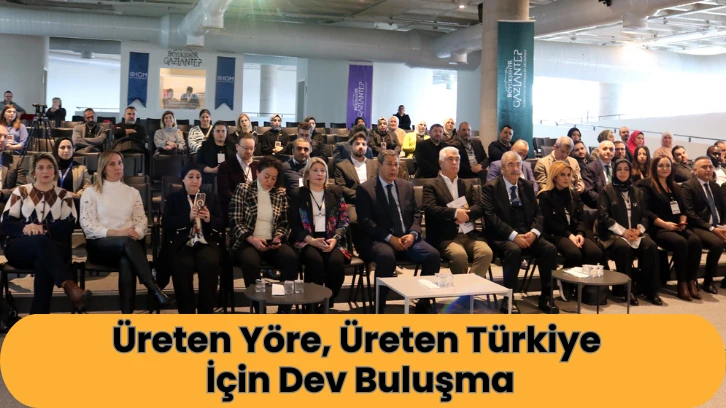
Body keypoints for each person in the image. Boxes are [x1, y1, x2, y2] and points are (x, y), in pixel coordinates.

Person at [80, 151, 172, 313]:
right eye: (112, 164)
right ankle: (154, 288)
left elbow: (141, 220)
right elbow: (88, 225)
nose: (118, 167)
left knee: (126, 261)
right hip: (101, 247)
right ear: (103, 168)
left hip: (129, 248)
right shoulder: (91, 192)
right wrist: (117, 233)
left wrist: (138, 232)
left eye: (120, 163)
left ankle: (127, 315)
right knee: (128, 244)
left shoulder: (132, 192)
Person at [1, 152, 90, 314]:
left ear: (55, 171)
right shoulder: (21, 192)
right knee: (40, 242)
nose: (45, 171)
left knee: (43, 259)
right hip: (20, 248)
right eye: (40, 167)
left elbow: (69, 225)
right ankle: (68, 284)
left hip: (53, 248)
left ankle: (38, 318)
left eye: (49, 167)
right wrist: (25, 228)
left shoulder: (64, 195)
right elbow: (6, 222)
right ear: (33, 172)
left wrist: (44, 228)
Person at [356, 150, 441, 313]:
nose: (394, 168)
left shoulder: (406, 186)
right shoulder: (366, 189)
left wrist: (413, 234)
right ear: (379, 165)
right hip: (378, 239)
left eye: (396, 164)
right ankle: (378, 305)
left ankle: (423, 302)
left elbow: (416, 213)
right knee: (386, 257)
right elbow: (366, 222)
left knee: (433, 256)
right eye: (389, 164)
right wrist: (390, 238)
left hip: (407, 238)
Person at [482, 151, 559, 314]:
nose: (516, 168)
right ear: (502, 168)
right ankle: (509, 298)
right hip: (503, 236)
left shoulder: (527, 185)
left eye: (518, 164)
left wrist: (534, 233)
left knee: (550, 249)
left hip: (528, 234)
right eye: (511, 165)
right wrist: (513, 236)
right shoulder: (491, 187)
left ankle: (546, 296)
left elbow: (538, 213)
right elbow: (491, 218)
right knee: (513, 250)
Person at [228, 156, 298, 313]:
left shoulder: (279, 194)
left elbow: (284, 223)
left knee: (291, 259)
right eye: (267, 176)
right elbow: (235, 221)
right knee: (250, 262)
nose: (270, 181)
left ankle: (284, 310)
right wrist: (252, 240)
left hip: (271, 241)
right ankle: (259, 309)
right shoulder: (243, 189)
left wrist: (278, 237)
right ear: (258, 173)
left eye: (274, 178)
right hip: (247, 240)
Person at [159, 163, 223, 314]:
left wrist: (209, 219)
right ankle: (186, 313)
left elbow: (221, 223)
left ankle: (206, 312)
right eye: (191, 177)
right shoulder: (174, 198)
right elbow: (166, 223)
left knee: (209, 263)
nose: (194, 181)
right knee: (182, 265)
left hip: (205, 242)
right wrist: (187, 217)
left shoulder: (211, 197)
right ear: (183, 179)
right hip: (182, 243)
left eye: (198, 177)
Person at [423, 147, 493, 282]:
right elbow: (430, 209)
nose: (455, 162)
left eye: (457, 159)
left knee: (486, 253)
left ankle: (468, 289)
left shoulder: (466, 184)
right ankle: (465, 290)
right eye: (450, 159)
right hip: (446, 236)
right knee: (459, 256)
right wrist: (455, 213)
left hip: (469, 233)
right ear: (440, 162)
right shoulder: (431, 185)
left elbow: (479, 206)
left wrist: (465, 215)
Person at [598, 158, 661, 305]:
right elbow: (603, 216)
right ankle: (627, 289)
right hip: (613, 234)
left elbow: (644, 216)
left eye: (626, 169)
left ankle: (650, 290)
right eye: (619, 169)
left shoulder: (638, 192)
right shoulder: (606, 190)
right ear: (614, 171)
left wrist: (638, 231)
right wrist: (623, 232)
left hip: (635, 233)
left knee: (651, 246)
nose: (623, 172)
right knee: (623, 248)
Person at [638, 156, 702, 301]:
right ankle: (682, 283)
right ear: (654, 167)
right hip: (658, 228)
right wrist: (665, 224)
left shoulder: (674, 186)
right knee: (681, 243)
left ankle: (691, 281)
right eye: (661, 165)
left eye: (668, 165)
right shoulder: (646, 185)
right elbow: (645, 211)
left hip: (677, 226)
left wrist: (682, 221)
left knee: (695, 241)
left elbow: (684, 209)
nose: (665, 168)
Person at [289, 157, 350, 309]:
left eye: (323, 170)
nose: (319, 174)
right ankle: (310, 304)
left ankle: (327, 302)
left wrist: (335, 239)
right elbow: (294, 224)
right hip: (307, 240)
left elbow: (344, 219)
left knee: (336, 263)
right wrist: (311, 240)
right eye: (315, 170)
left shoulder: (335, 191)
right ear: (307, 174)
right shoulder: (298, 194)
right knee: (315, 262)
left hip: (332, 240)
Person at [538, 160, 603, 285]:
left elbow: (582, 217)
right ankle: (564, 283)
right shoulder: (545, 196)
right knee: (574, 254)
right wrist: (569, 235)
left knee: (594, 252)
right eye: (562, 175)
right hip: (556, 234)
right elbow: (550, 223)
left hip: (575, 232)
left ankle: (583, 285)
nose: (566, 178)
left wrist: (579, 233)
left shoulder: (573, 194)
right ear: (554, 176)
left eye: (569, 175)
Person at [681, 156, 726, 293]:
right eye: (704, 167)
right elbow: (689, 213)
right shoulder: (688, 186)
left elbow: (723, 209)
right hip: (699, 226)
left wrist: (724, 225)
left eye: (710, 167)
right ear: (695, 170)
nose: (708, 170)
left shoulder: (715, 186)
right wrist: (712, 228)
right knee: (718, 244)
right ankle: (708, 281)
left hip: (718, 225)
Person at [334, 131, 378, 216]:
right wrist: (361, 196)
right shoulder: (341, 166)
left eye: (364, 144)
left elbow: (379, 183)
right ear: (350, 147)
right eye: (357, 144)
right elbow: (341, 188)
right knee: (354, 219)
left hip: (373, 201)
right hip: (353, 203)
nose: (361, 146)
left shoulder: (375, 164)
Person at [218, 133, 257, 217]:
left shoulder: (257, 166)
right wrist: (244, 202)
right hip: (235, 208)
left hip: (256, 207)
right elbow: (225, 192)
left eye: (251, 148)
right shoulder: (226, 166)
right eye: (246, 148)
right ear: (237, 147)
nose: (249, 151)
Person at [582, 140, 614, 208]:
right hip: (598, 205)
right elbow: (589, 191)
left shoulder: (617, 167)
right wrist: (606, 202)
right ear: (598, 151)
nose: (608, 151)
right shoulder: (590, 168)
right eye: (605, 149)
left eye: (611, 149)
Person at [0, 126, 27, 208]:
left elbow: (22, 188)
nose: (2, 140)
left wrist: (2, 193)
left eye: (5, 137)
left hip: (4, 205)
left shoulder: (16, 162)